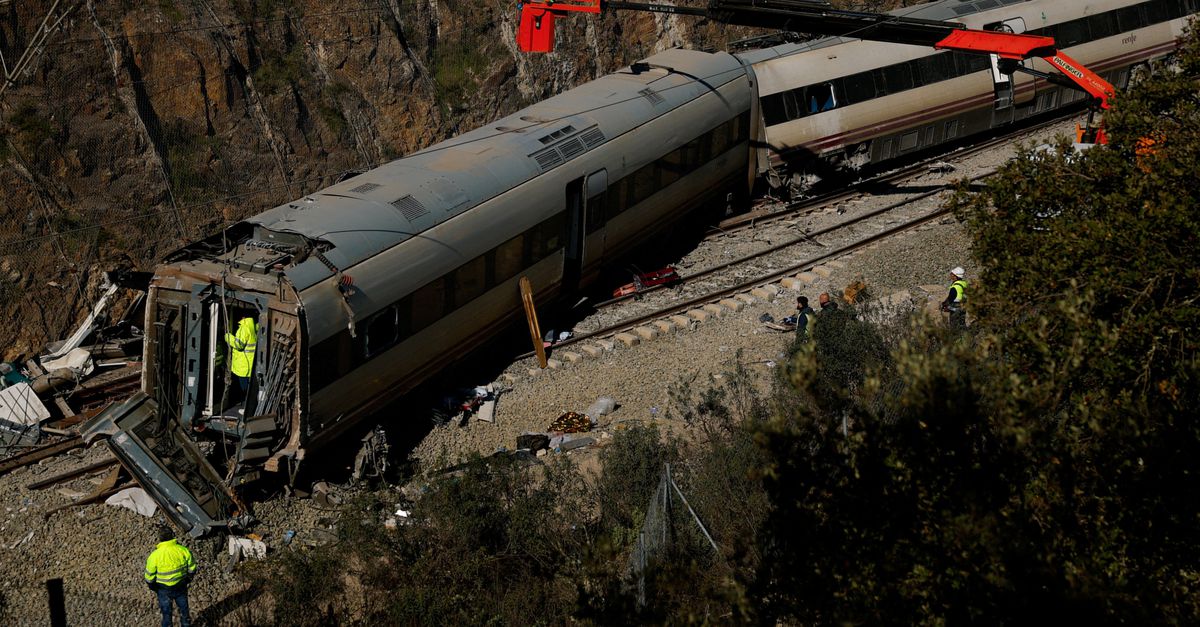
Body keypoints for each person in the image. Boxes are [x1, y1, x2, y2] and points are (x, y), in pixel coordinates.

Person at [145, 525, 197, 627]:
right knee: (184, 611)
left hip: (163, 589)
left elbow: (149, 577)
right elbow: (192, 568)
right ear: (172, 535)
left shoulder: (155, 555)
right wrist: (188, 579)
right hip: (180, 586)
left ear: (160, 538)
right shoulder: (183, 550)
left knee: (166, 614)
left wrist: (153, 587)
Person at [224, 316, 258, 392]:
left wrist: (228, 337)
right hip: (249, 364)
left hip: (243, 365)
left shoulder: (244, 328)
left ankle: (244, 396)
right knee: (249, 387)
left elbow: (239, 345)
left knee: (244, 388)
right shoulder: (252, 326)